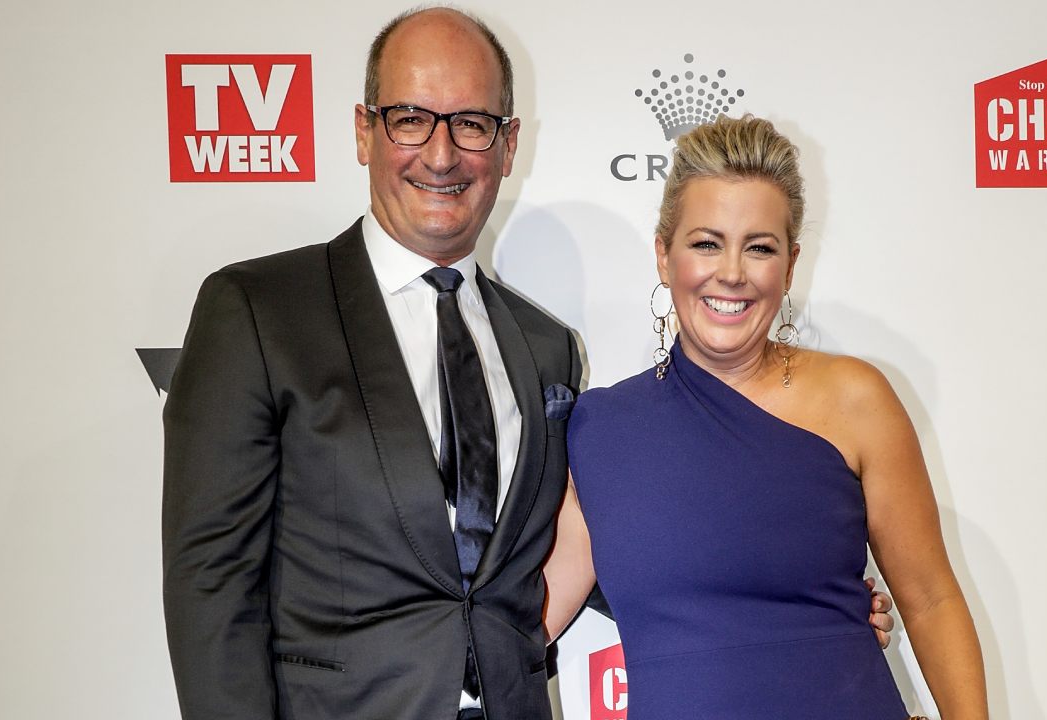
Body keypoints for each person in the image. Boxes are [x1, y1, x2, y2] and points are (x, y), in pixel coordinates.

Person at [162, 8, 896, 719]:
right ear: (364, 129)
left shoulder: (544, 346)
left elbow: (598, 544)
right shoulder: (258, 312)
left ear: (508, 145)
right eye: (411, 118)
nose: (442, 154)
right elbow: (211, 582)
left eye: (471, 124)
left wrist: (800, 588)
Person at [543, 115, 988, 718]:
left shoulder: (856, 399)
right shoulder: (600, 429)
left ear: (791, 264)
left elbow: (932, 599)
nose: (731, 272)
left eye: (759, 247)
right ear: (664, 256)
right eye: (706, 243)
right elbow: (528, 620)